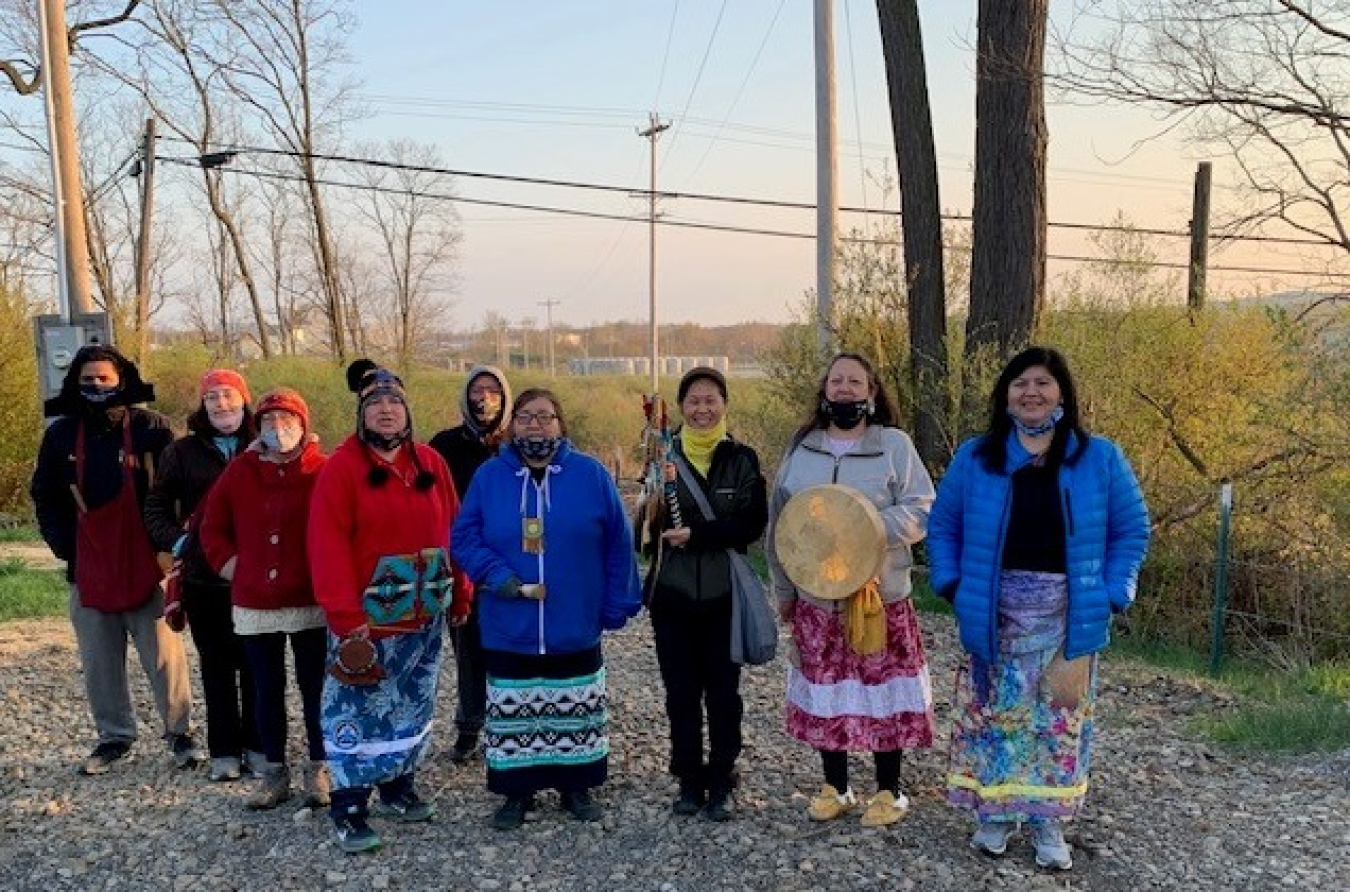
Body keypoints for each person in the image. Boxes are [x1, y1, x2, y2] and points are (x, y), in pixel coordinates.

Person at [928, 346, 1150, 871]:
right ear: (1005, 394)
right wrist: (953, 584)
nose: (1032, 392)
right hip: (993, 610)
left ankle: (1049, 821)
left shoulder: (1100, 459)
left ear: (1063, 394)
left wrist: (1115, 591)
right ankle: (998, 814)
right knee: (998, 717)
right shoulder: (974, 458)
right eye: (1021, 382)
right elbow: (943, 527)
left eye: (1044, 383)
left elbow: (1132, 529)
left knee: (1056, 720)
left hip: (1068, 614)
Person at [452, 388, 641, 831]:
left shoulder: (591, 475)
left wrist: (617, 601)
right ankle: (516, 792)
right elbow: (464, 537)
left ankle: (577, 786)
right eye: (526, 417)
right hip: (509, 621)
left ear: (561, 424)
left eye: (546, 416)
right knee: (515, 708)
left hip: (573, 619)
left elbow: (619, 542)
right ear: (512, 424)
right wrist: (498, 577)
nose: (535, 425)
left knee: (574, 705)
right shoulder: (489, 476)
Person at [765, 352, 936, 827]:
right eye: (836, 380)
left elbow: (922, 508)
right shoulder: (804, 450)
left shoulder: (894, 446)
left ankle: (890, 789)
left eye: (854, 381)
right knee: (827, 688)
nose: (844, 388)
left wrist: (860, 527)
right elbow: (782, 525)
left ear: (872, 392)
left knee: (882, 687)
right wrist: (784, 588)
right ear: (824, 391)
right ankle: (836, 785)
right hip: (817, 597)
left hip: (878, 597)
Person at [308, 360, 472, 854]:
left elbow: (454, 531)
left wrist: (461, 589)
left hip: (424, 610)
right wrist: (344, 614)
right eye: (375, 403)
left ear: (408, 412)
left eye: (395, 402)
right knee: (356, 704)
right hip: (366, 618)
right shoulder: (342, 469)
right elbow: (327, 543)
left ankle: (398, 783)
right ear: (362, 413)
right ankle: (349, 802)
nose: (386, 410)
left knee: (413, 701)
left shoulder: (430, 463)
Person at [30, 344, 202, 775]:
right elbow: (46, 496)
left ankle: (181, 733)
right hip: (88, 566)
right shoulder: (61, 435)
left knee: (165, 656)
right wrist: (65, 546)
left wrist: (168, 546)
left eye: (104, 379)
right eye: (87, 380)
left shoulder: (152, 429)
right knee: (99, 660)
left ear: (121, 381)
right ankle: (113, 737)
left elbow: (178, 492)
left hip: (147, 565)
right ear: (76, 383)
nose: (96, 386)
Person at [643, 367, 767, 821]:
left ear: (724, 404)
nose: (702, 408)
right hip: (672, 596)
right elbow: (646, 526)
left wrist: (697, 534)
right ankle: (688, 778)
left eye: (710, 399)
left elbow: (751, 524)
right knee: (680, 693)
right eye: (693, 400)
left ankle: (722, 777)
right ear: (681, 407)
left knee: (722, 693)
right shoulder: (660, 456)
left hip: (722, 597)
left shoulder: (742, 459)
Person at [198, 387, 330, 811]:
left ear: (303, 423)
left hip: (310, 598)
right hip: (256, 600)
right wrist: (231, 566)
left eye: (286, 420)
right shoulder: (240, 471)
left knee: (316, 687)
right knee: (265, 688)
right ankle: (274, 771)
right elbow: (211, 526)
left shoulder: (322, 470)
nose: (278, 428)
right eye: (270, 421)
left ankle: (319, 767)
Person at [145, 368, 262, 782]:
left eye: (229, 395)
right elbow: (156, 503)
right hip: (203, 576)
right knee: (215, 664)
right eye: (212, 398)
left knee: (257, 663)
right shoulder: (182, 452)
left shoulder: (264, 444)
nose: (221, 405)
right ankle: (225, 750)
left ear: (244, 399)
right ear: (203, 404)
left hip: (256, 574)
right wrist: (177, 541)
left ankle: (260, 746)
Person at [428, 364, 513, 766]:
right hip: (462, 560)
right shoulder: (445, 445)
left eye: (493, 391)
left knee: (513, 647)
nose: (485, 399)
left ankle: (511, 723)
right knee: (468, 648)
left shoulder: (519, 442)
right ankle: (469, 725)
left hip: (513, 561)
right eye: (478, 390)